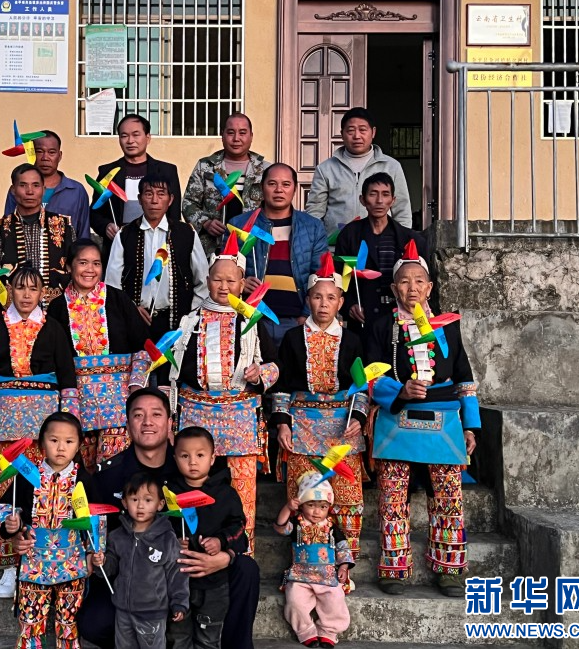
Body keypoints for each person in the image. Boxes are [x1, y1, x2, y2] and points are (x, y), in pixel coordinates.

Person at [74, 387, 261, 649]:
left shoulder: (192, 465)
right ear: (127, 424)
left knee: (246, 568)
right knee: (95, 624)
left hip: (198, 570)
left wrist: (224, 556)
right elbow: (97, 532)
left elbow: (231, 523)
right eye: (138, 415)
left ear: (170, 422)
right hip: (137, 577)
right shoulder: (110, 475)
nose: (147, 422)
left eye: (156, 414)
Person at [365, 244, 480, 597]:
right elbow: (369, 376)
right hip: (396, 419)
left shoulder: (449, 326)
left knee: (448, 495)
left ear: (429, 287)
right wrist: (399, 390)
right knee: (392, 495)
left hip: (443, 422)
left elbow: (464, 378)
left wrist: (470, 426)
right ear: (394, 288)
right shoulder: (381, 326)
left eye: (419, 281)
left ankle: (449, 568)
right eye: (404, 281)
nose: (411, 287)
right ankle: (394, 567)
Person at [0, 265, 79, 599]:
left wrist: (69, 427)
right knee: (6, 495)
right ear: (10, 291)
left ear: (43, 293)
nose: (26, 295)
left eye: (33, 289)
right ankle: (10, 565)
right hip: (3, 425)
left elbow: (68, 380)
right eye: (20, 288)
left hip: (45, 428)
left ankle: (39, 558)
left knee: (39, 493)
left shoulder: (54, 328)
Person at [164, 236, 279, 554]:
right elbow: (171, 372)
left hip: (239, 418)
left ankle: (241, 553)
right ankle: (194, 552)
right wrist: (170, 417)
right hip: (196, 416)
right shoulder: (189, 321)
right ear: (207, 280)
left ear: (242, 283)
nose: (224, 286)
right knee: (194, 485)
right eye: (217, 279)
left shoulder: (252, 321)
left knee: (242, 488)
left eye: (231, 280)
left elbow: (274, 365)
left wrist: (261, 374)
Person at [270, 251, 369, 564]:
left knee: (348, 500)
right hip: (302, 429)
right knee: (304, 498)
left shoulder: (353, 340)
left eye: (330, 298)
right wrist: (283, 423)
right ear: (307, 299)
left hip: (342, 430)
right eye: (317, 297)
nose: (323, 304)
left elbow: (362, 385)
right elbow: (282, 385)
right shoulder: (292, 338)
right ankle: (306, 564)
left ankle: (344, 567)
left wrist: (358, 417)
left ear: (341, 302)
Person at [47, 240, 150, 471]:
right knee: (82, 472)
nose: (90, 269)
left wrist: (136, 387)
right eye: (83, 263)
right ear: (69, 266)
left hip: (119, 402)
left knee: (114, 470)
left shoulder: (118, 299)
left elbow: (143, 347)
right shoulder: (56, 307)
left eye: (96, 263)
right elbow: (55, 359)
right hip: (78, 402)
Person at [0, 412, 93, 648]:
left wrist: (94, 552)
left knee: (69, 622)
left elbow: (96, 519)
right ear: (42, 443)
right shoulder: (27, 476)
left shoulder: (84, 480)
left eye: (69, 441)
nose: (61, 447)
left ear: (79, 445)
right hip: (34, 561)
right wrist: (12, 526)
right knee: (30, 620)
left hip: (72, 563)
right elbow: (7, 507)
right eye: (54, 440)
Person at [228, 163, 328, 348]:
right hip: (251, 318)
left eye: (286, 184)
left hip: (296, 320)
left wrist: (306, 315)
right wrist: (240, 282)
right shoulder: (240, 224)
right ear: (262, 187)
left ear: (295, 189)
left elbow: (321, 275)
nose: (279, 190)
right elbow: (225, 269)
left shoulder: (312, 227)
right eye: (272, 184)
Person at [167, 427, 247, 649]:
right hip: (177, 582)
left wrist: (221, 541)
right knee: (177, 636)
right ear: (175, 458)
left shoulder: (225, 493)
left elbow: (239, 525)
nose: (193, 462)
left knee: (208, 638)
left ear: (212, 459)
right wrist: (173, 540)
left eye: (200, 455)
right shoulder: (169, 492)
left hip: (214, 584)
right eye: (185, 456)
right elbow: (158, 525)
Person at [91, 472, 189, 649]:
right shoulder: (117, 536)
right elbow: (111, 567)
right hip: (123, 610)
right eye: (134, 499)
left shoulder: (167, 538)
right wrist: (102, 562)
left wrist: (179, 603)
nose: (140, 506)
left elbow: (177, 572)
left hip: (152, 613)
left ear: (160, 504)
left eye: (148, 500)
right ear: (124, 502)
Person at [105, 175, 209, 339]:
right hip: (136, 320)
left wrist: (190, 316)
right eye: (148, 194)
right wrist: (130, 309)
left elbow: (203, 281)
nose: (154, 200)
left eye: (161, 194)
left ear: (170, 199)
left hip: (178, 322)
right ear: (140, 199)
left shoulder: (187, 233)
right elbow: (112, 283)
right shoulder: (125, 234)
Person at [335, 172, 429, 335]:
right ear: (363, 200)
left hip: (402, 318)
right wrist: (349, 305)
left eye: (385, 195)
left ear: (393, 200)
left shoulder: (410, 239)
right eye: (373, 194)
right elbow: (339, 277)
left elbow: (424, 281)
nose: (379, 201)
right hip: (363, 318)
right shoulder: (350, 235)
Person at [273, 470, 353, 649]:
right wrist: (287, 508)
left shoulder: (331, 527)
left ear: (328, 507)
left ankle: (328, 632)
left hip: (327, 577)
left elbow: (343, 547)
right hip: (300, 577)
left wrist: (343, 567)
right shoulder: (297, 525)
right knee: (295, 601)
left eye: (323, 507)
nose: (317, 512)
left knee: (335, 600)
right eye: (311, 505)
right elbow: (280, 526)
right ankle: (305, 632)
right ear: (301, 505)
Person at [90, 114, 183, 262]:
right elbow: (95, 214)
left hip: (158, 247)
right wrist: (106, 226)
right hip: (118, 248)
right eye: (124, 136)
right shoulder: (107, 172)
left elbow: (174, 213)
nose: (130, 141)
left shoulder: (167, 171)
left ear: (148, 137)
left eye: (136, 134)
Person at [305, 107, 412, 235]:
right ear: (342, 134)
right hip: (337, 243)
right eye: (351, 131)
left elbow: (402, 210)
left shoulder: (391, 166)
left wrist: (402, 239)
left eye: (362, 130)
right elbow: (315, 211)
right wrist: (315, 241)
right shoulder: (326, 169)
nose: (357, 136)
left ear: (373, 132)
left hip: (380, 241)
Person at [182, 112, 271, 257]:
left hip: (253, 247)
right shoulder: (206, 167)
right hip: (213, 248)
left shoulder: (265, 170)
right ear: (222, 135)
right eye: (230, 132)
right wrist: (205, 223)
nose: (236, 138)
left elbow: (274, 207)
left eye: (242, 133)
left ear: (251, 136)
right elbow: (188, 203)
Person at [0, 163, 75, 307]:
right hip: (12, 310)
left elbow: (73, 269)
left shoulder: (63, 226)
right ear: (13, 190)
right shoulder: (1, 230)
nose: (30, 191)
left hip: (57, 309)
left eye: (36, 185)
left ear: (43, 190)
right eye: (23, 185)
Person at [3, 131, 91, 240]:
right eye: (39, 151)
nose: (45, 157)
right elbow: (7, 227)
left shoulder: (76, 191)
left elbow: (83, 233)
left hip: (67, 250)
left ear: (60, 156)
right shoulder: (19, 189)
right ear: (31, 153)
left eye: (51, 152)